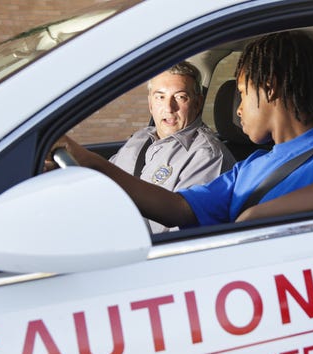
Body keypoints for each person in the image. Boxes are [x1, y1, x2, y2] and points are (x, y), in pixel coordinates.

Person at [48, 31, 313, 229]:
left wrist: (261, 214)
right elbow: (180, 208)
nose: (237, 109)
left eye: (241, 92)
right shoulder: (250, 167)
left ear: (270, 87)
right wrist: (91, 162)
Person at [49, 61, 236, 233]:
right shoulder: (139, 139)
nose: (169, 107)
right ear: (150, 104)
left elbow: (181, 232)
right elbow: (104, 185)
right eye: (160, 97)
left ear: (197, 103)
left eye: (180, 97)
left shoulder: (206, 155)